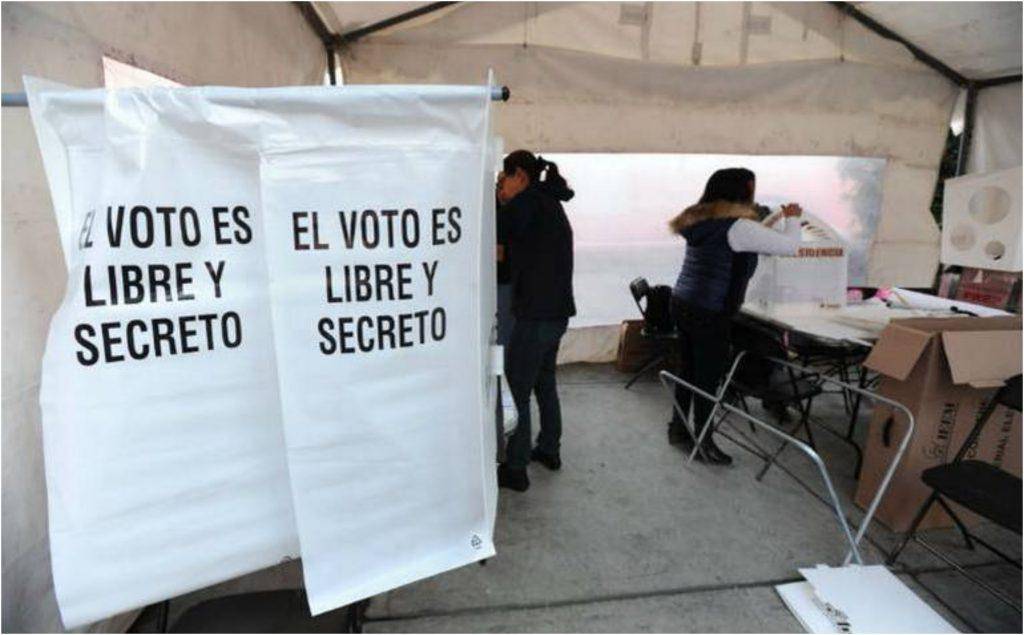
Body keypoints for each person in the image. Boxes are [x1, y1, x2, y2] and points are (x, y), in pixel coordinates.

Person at [667, 168, 803, 465]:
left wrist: (768, 220)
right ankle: (703, 441)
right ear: (742, 191)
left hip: (684, 301)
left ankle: (678, 429)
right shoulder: (738, 227)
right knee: (707, 378)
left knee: (688, 371)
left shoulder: (700, 219)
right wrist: (793, 217)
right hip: (710, 309)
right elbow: (790, 246)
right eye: (751, 188)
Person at [496, 150, 576, 492]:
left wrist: (501, 203)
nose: (501, 187)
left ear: (519, 175)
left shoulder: (525, 204)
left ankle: (516, 469)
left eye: (503, 180)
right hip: (558, 312)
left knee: (518, 388)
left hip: (534, 315)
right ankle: (549, 449)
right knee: (545, 382)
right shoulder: (549, 201)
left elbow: (493, 234)